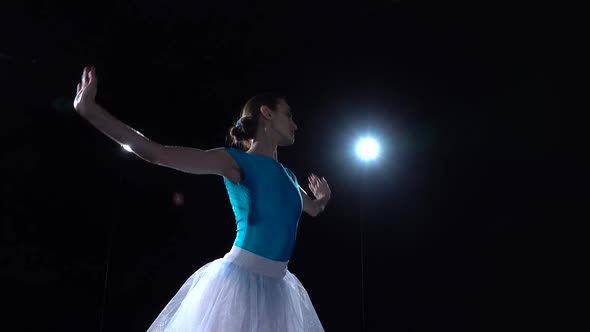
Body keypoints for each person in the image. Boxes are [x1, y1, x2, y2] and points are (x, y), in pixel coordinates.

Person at [74, 66, 331, 331]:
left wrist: (322, 199)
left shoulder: (288, 175)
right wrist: (91, 111)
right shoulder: (235, 161)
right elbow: (157, 153)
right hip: (238, 285)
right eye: (288, 114)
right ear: (266, 113)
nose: (295, 124)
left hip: (279, 290)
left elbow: (312, 208)